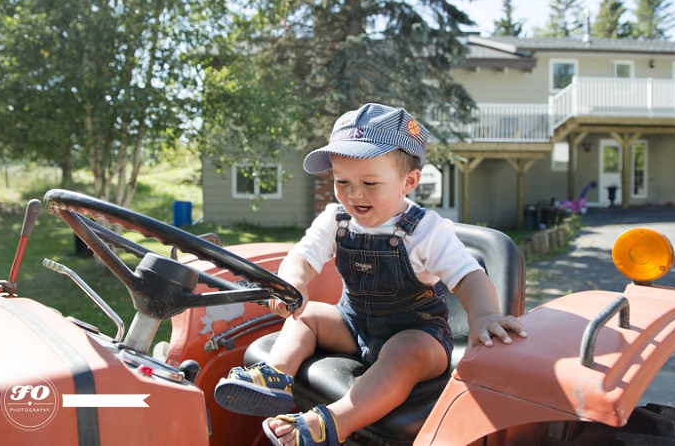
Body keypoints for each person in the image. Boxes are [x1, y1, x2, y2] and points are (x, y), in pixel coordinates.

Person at [215, 103, 527, 446]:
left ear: (408, 182)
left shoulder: (426, 230)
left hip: (418, 333)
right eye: (342, 181)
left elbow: (468, 275)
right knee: (306, 317)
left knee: (404, 354)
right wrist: (295, 282)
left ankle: (333, 423)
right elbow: (301, 256)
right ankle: (276, 375)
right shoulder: (335, 220)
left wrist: (483, 315)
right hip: (354, 324)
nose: (354, 193)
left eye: (370, 182)